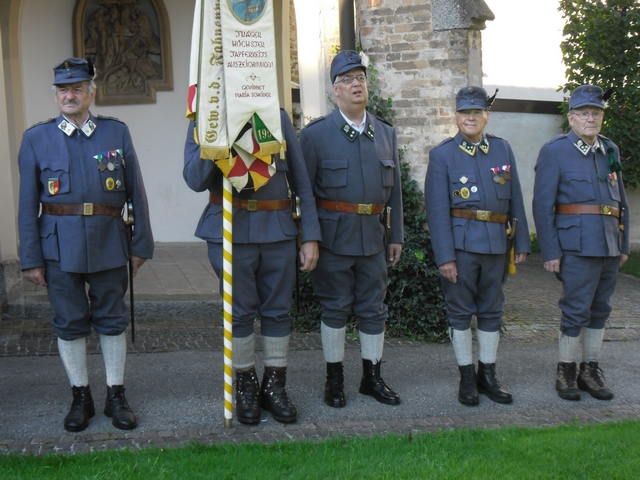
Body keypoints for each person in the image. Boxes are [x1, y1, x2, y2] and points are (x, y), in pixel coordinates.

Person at [18, 58, 154, 432]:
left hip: (109, 240)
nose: (69, 95)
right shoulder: (36, 138)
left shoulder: (115, 133)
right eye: (63, 89)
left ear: (92, 92)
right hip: (58, 247)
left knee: (112, 320)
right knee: (69, 322)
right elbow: (27, 205)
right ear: (55, 95)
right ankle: (81, 396)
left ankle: (115, 394)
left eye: (77, 88)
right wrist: (30, 258)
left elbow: (135, 193)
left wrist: (140, 243)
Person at [183, 110, 321, 424]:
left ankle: (275, 385)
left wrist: (310, 234)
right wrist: (215, 138)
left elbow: (301, 179)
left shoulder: (277, 115)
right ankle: (245, 383)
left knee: (277, 311)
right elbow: (194, 179)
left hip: (277, 227)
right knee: (239, 313)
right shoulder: (207, 115)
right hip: (229, 229)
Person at [299, 50, 403, 408]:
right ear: (334, 91)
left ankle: (372, 378)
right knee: (335, 308)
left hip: (374, 238)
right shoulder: (316, 136)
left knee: (374, 309)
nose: (356, 84)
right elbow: (304, 193)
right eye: (347, 79)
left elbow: (396, 193)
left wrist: (397, 236)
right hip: (333, 239)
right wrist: (309, 239)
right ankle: (334, 380)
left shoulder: (385, 133)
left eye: (360, 77)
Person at [424, 86, 530, 406]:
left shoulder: (502, 150)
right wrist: (445, 257)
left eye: (477, 112)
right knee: (459, 312)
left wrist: (521, 241)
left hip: (497, 245)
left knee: (491, 311)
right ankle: (466, 376)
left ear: (486, 116)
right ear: (456, 117)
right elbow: (437, 211)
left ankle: (488, 374)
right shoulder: (442, 155)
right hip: (461, 247)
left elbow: (516, 200)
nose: (471, 117)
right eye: (465, 112)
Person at [532, 85, 629, 401]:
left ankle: (590, 370)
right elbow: (542, 204)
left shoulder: (609, 150)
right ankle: (566, 371)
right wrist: (550, 250)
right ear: (571, 118)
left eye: (596, 113)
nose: (591, 118)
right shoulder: (556, 150)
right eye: (584, 113)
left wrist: (624, 243)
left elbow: (621, 202)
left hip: (608, 244)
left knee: (600, 309)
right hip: (575, 245)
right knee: (575, 310)